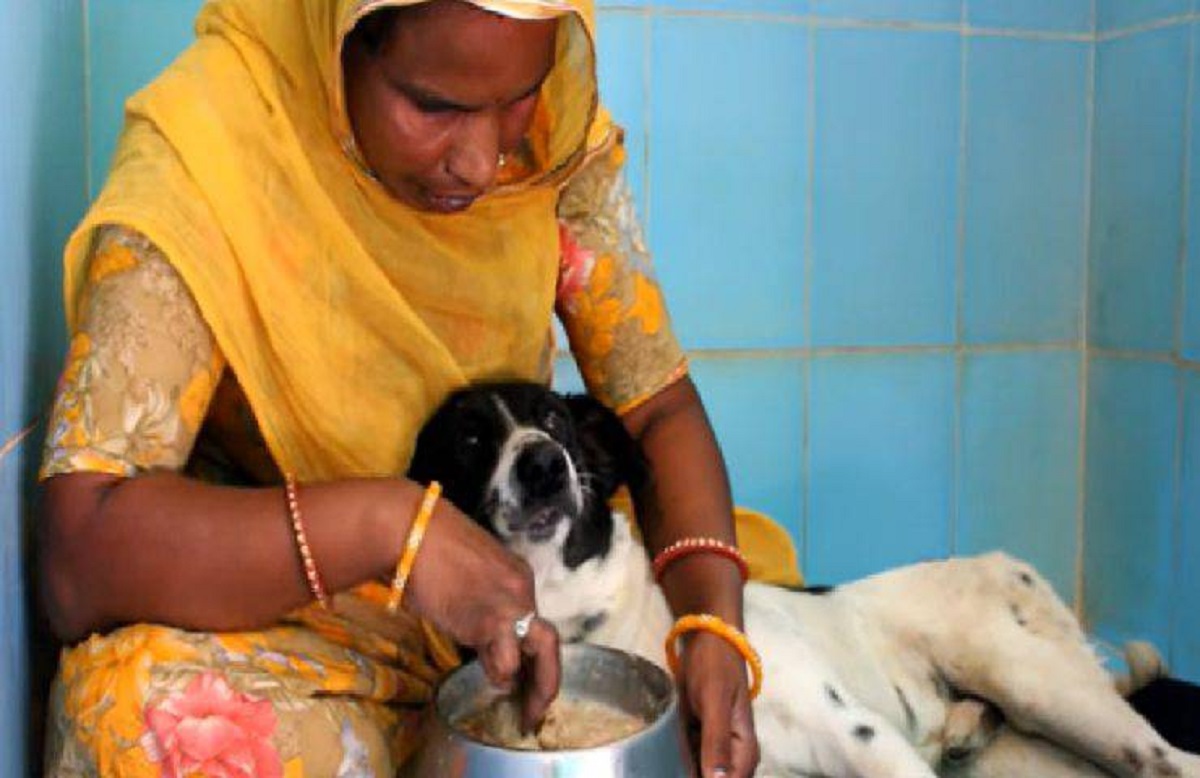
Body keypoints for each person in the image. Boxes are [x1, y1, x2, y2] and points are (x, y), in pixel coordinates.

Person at [37, 1, 792, 775]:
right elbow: (80, 556)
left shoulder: (548, 145)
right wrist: (395, 529)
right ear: (341, 43)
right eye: (435, 106)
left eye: (518, 97)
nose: (482, 159)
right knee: (138, 716)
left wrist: (710, 629)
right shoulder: (211, 152)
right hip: (298, 628)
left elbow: (657, 405)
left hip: (519, 627)